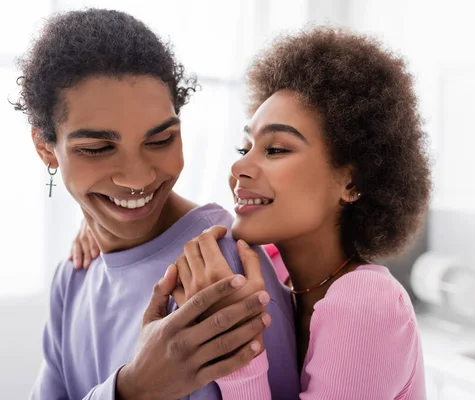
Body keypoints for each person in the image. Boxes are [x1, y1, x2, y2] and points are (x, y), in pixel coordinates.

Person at [74, 26, 431, 399]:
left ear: (351, 181)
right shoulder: (276, 272)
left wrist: (240, 358)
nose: (239, 168)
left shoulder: (364, 300)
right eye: (244, 148)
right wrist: (106, 223)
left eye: (276, 149)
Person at [13, 8, 299, 400]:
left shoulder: (225, 267)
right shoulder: (74, 278)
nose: (138, 178)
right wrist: (131, 389)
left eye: (160, 140)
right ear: (46, 150)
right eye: (98, 148)